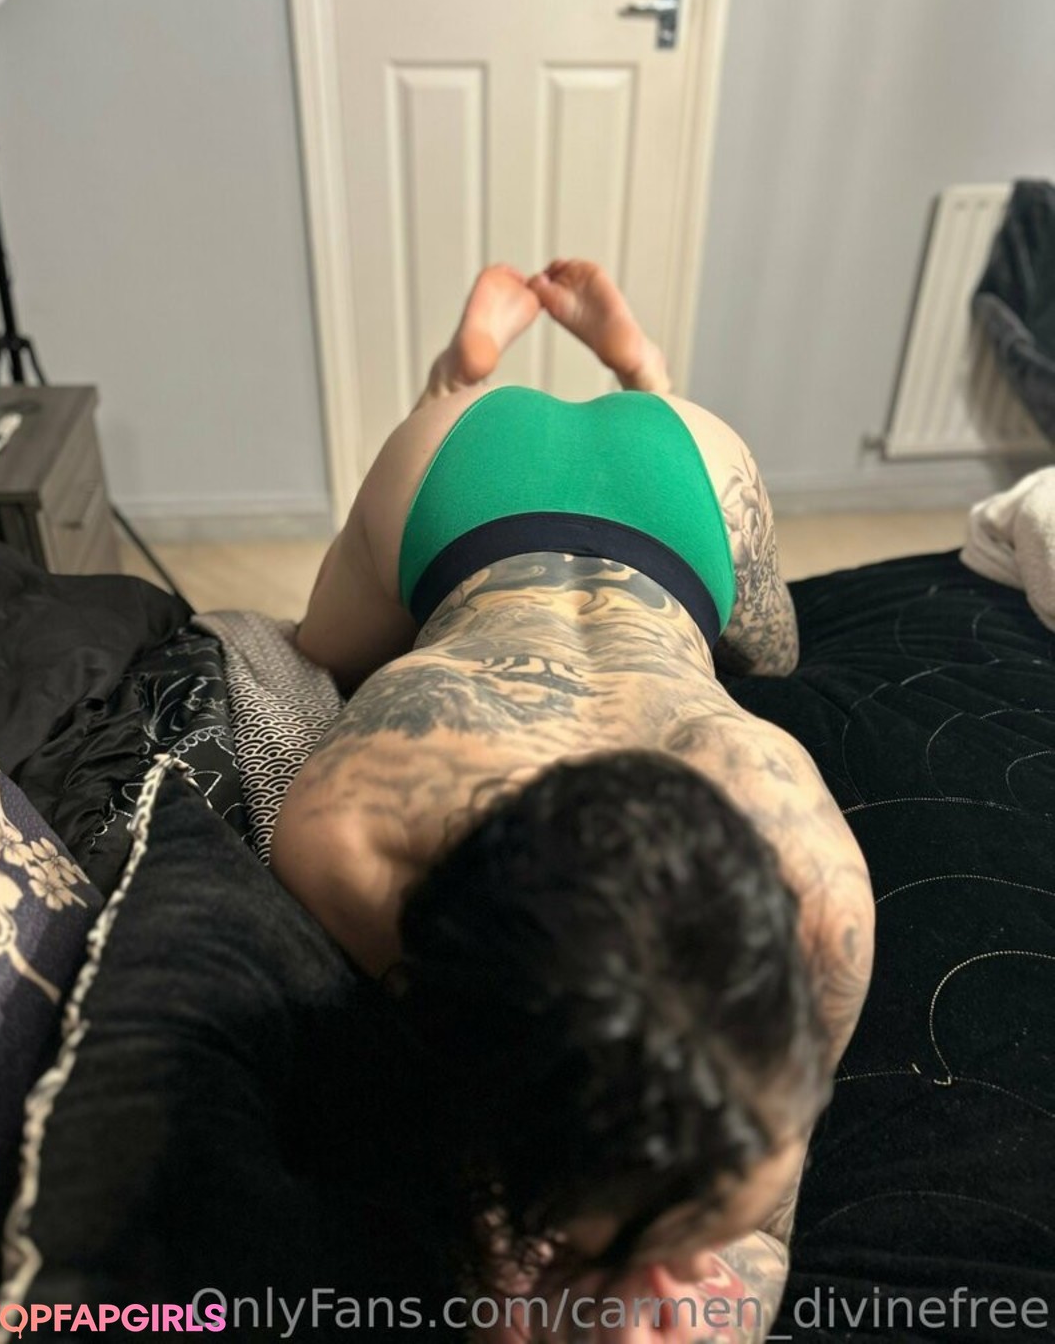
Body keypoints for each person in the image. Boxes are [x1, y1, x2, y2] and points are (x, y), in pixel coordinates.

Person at [270, 260, 875, 1342]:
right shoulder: (344, 832)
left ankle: (576, 381)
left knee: (775, 655)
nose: (674, 1280)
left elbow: (766, 1227)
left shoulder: (829, 906)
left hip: (576, 475)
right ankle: (520, 386)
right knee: (321, 651)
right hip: (536, 485)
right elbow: (468, 1162)